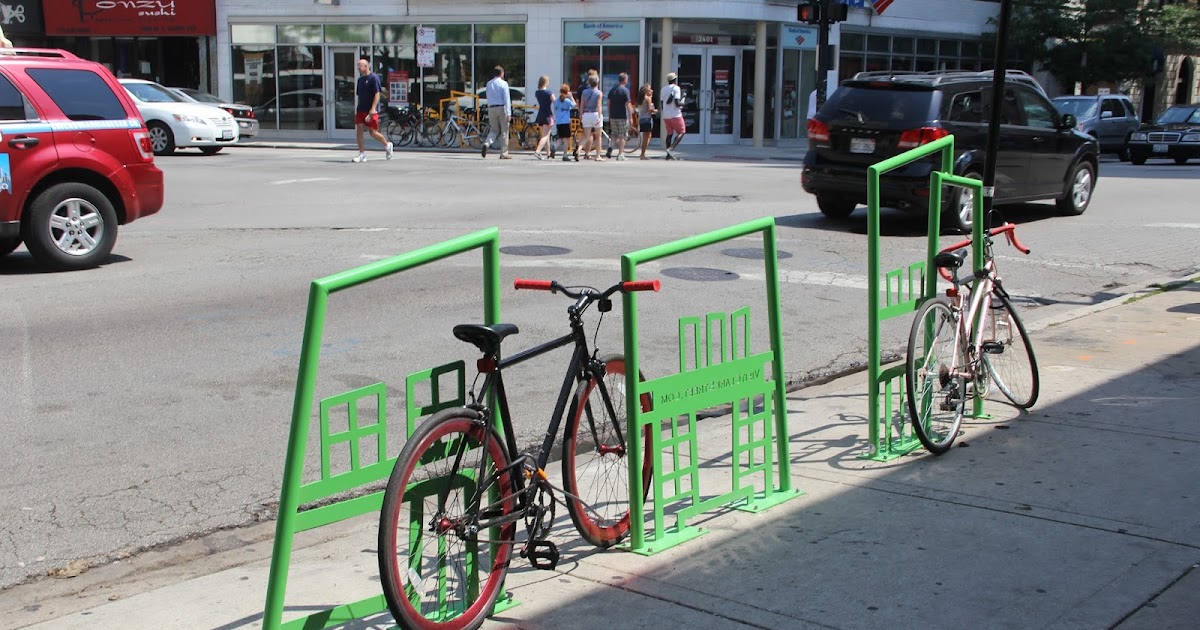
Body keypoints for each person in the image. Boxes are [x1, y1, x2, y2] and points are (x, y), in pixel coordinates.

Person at [352, 58, 393, 163]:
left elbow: (377, 94)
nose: (358, 68)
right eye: (357, 65)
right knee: (359, 129)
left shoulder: (373, 78)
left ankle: (387, 145)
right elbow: (359, 95)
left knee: (373, 132)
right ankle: (362, 154)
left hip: (371, 110)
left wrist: (373, 108)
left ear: (366, 66)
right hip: (361, 109)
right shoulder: (360, 80)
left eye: (360, 65)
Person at [482, 65, 512, 160]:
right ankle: (504, 153)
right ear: (501, 73)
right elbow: (507, 99)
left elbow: (488, 96)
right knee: (504, 131)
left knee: (494, 129)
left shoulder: (489, 84)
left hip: (491, 108)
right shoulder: (504, 84)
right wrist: (509, 112)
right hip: (501, 107)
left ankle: (487, 143)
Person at [605, 72, 634, 161]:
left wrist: (609, 115)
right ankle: (620, 154)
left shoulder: (612, 90)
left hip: (613, 116)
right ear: (625, 80)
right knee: (622, 136)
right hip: (622, 116)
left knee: (614, 134)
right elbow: (628, 105)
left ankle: (611, 146)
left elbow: (608, 103)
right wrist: (631, 117)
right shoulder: (625, 91)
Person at [578, 74, 605, 161]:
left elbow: (582, 105)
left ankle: (578, 150)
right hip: (595, 113)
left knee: (586, 136)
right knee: (598, 136)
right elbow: (599, 105)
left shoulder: (584, 92)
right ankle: (598, 156)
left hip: (586, 114)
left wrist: (581, 114)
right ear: (597, 82)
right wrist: (600, 116)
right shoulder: (599, 93)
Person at [661, 72, 686, 160]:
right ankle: (671, 148)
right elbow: (677, 103)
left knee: (669, 134)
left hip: (666, 115)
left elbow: (662, 103)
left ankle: (668, 156)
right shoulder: (676, 88)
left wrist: (665, 111)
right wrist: (683, 103)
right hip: (675, 114)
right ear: (675, 79)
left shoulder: (663, 89)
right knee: (682, 132)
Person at [552, 83, 576, 162]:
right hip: (566, 122)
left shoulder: (556, 101)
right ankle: (565, 155)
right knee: (566, 138)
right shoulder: (567, 101)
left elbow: (555, 108)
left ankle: (554, 146)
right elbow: (574, 105)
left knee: (561, 137)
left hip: (558, 122)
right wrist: (571, 97)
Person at [532, 75, 554, 160]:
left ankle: (548, 153)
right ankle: (537, 151)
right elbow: (555, 102)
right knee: (545, 136)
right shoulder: (549, 93)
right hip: (548, 115)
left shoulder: (537, 93)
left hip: (540, 115)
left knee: (545, 134)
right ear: (546, 82)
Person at [635, 83, 658, 160]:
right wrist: (656, 110)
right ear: (646, 91)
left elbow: (636, 108)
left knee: (648, 136)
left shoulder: (640, 99)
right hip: (647, 119)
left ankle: (643, 153)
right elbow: (650, 110)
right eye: (650, 89)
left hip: (641, 118)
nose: (652, 90)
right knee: (646, 137)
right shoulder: (648, 99)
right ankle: (642, 154)